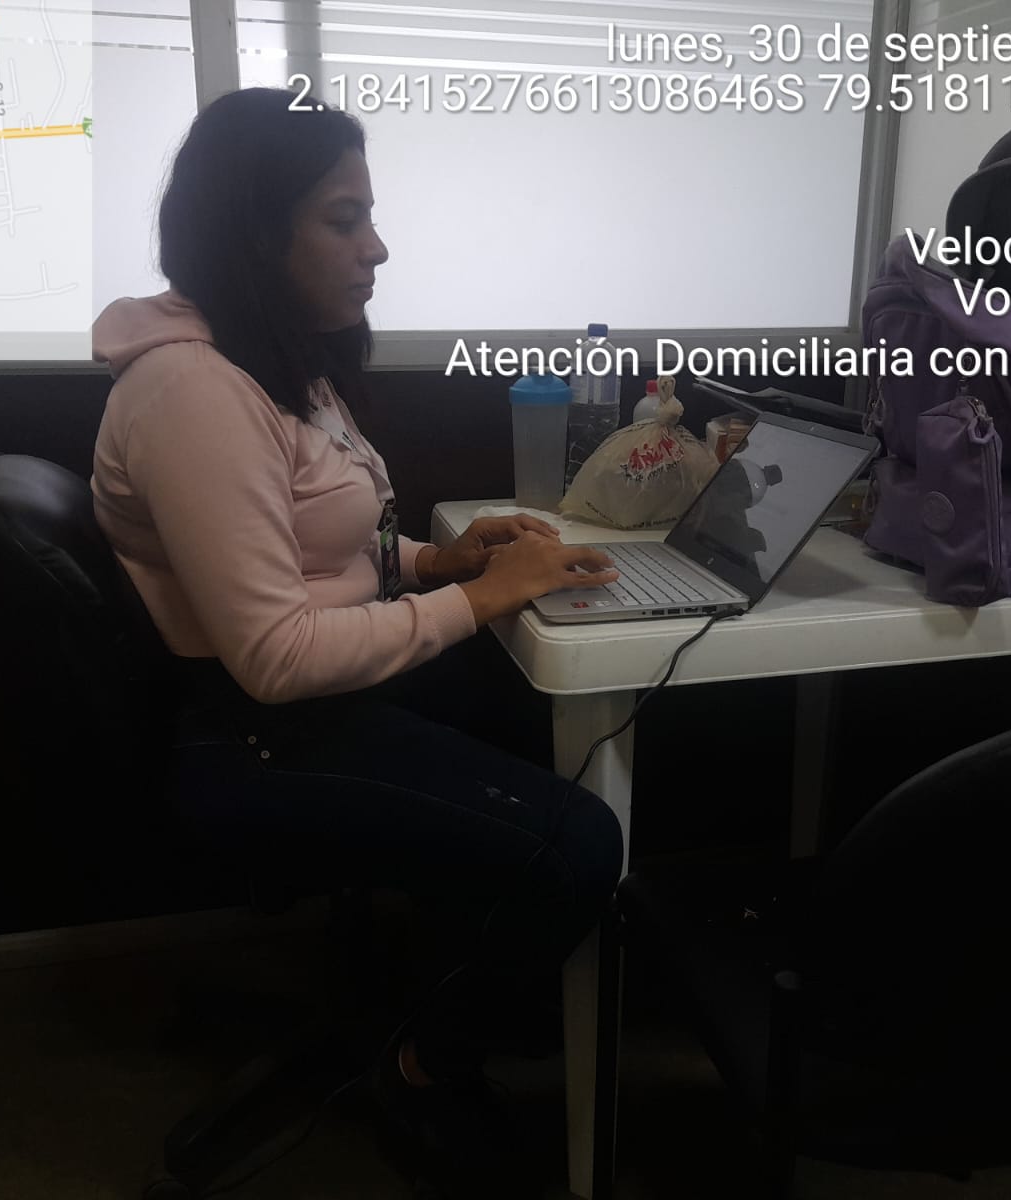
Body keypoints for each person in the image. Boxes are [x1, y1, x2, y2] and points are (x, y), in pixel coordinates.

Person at [89, 87, 625, 1195]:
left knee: (534, 713)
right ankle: (424, 1065)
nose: (376, 247)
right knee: (576, 843)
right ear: (255, 233)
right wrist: (481, 601)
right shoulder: (192, 391)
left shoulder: (277, 360)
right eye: (344, 219)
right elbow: (275, 654)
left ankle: (485, 977)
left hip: (302, 689)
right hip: (255, 727)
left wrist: (440, 563)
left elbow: (319, 551)